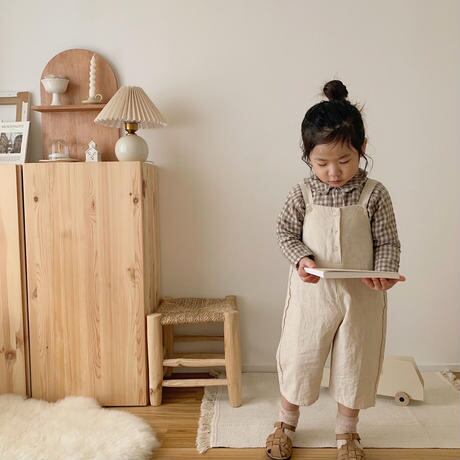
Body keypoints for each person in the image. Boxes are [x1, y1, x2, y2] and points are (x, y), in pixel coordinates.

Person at [265, 79, 406, 460]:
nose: (333, 172)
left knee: (355, 361)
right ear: (307, 156)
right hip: (312, 294)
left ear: (362, 149)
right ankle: (285, 423)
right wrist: (302, 259)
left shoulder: (375, 194)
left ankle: (347, 432)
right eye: (321, 163)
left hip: (362, 296)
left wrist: (384, 272)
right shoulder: (303, 193)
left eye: (344, 161)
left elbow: (388, 242)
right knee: (300, 357)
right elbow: (284, 232)